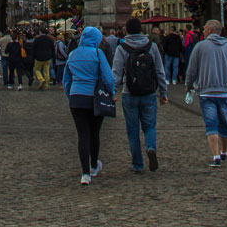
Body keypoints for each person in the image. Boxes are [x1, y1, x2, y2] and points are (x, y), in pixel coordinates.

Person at [184, 19, 227, 168]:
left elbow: (192, 70)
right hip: (225, 92)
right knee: (224, 123)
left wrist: (188, 86)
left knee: (211, 124)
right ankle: (224, 152)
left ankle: (216, 155)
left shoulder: (200, 47)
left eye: (204, 29)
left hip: (206, 92)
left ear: (210, 31)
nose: (203, 31)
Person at [112, 17, 168, 173]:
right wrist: (163, 92)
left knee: (132, 130)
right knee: (150, 126)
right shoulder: (152, 46)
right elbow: (159, 71)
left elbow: (116, 73)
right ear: (142, 30)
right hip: (149, 93)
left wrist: (111, 92)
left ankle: (137, 164)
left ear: (127, 31)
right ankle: (151, 148)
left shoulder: (122, 47)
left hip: (129, 93)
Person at [62, 25, 114, 185]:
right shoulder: (98, 54)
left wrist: (70, 97)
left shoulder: (72, 54)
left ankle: (85, 174)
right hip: (94, 99)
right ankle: (93, 167)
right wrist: (111, 94)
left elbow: (66, 80)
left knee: (82, 136)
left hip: (77, 99)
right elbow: (108, 78)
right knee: (94, 134)